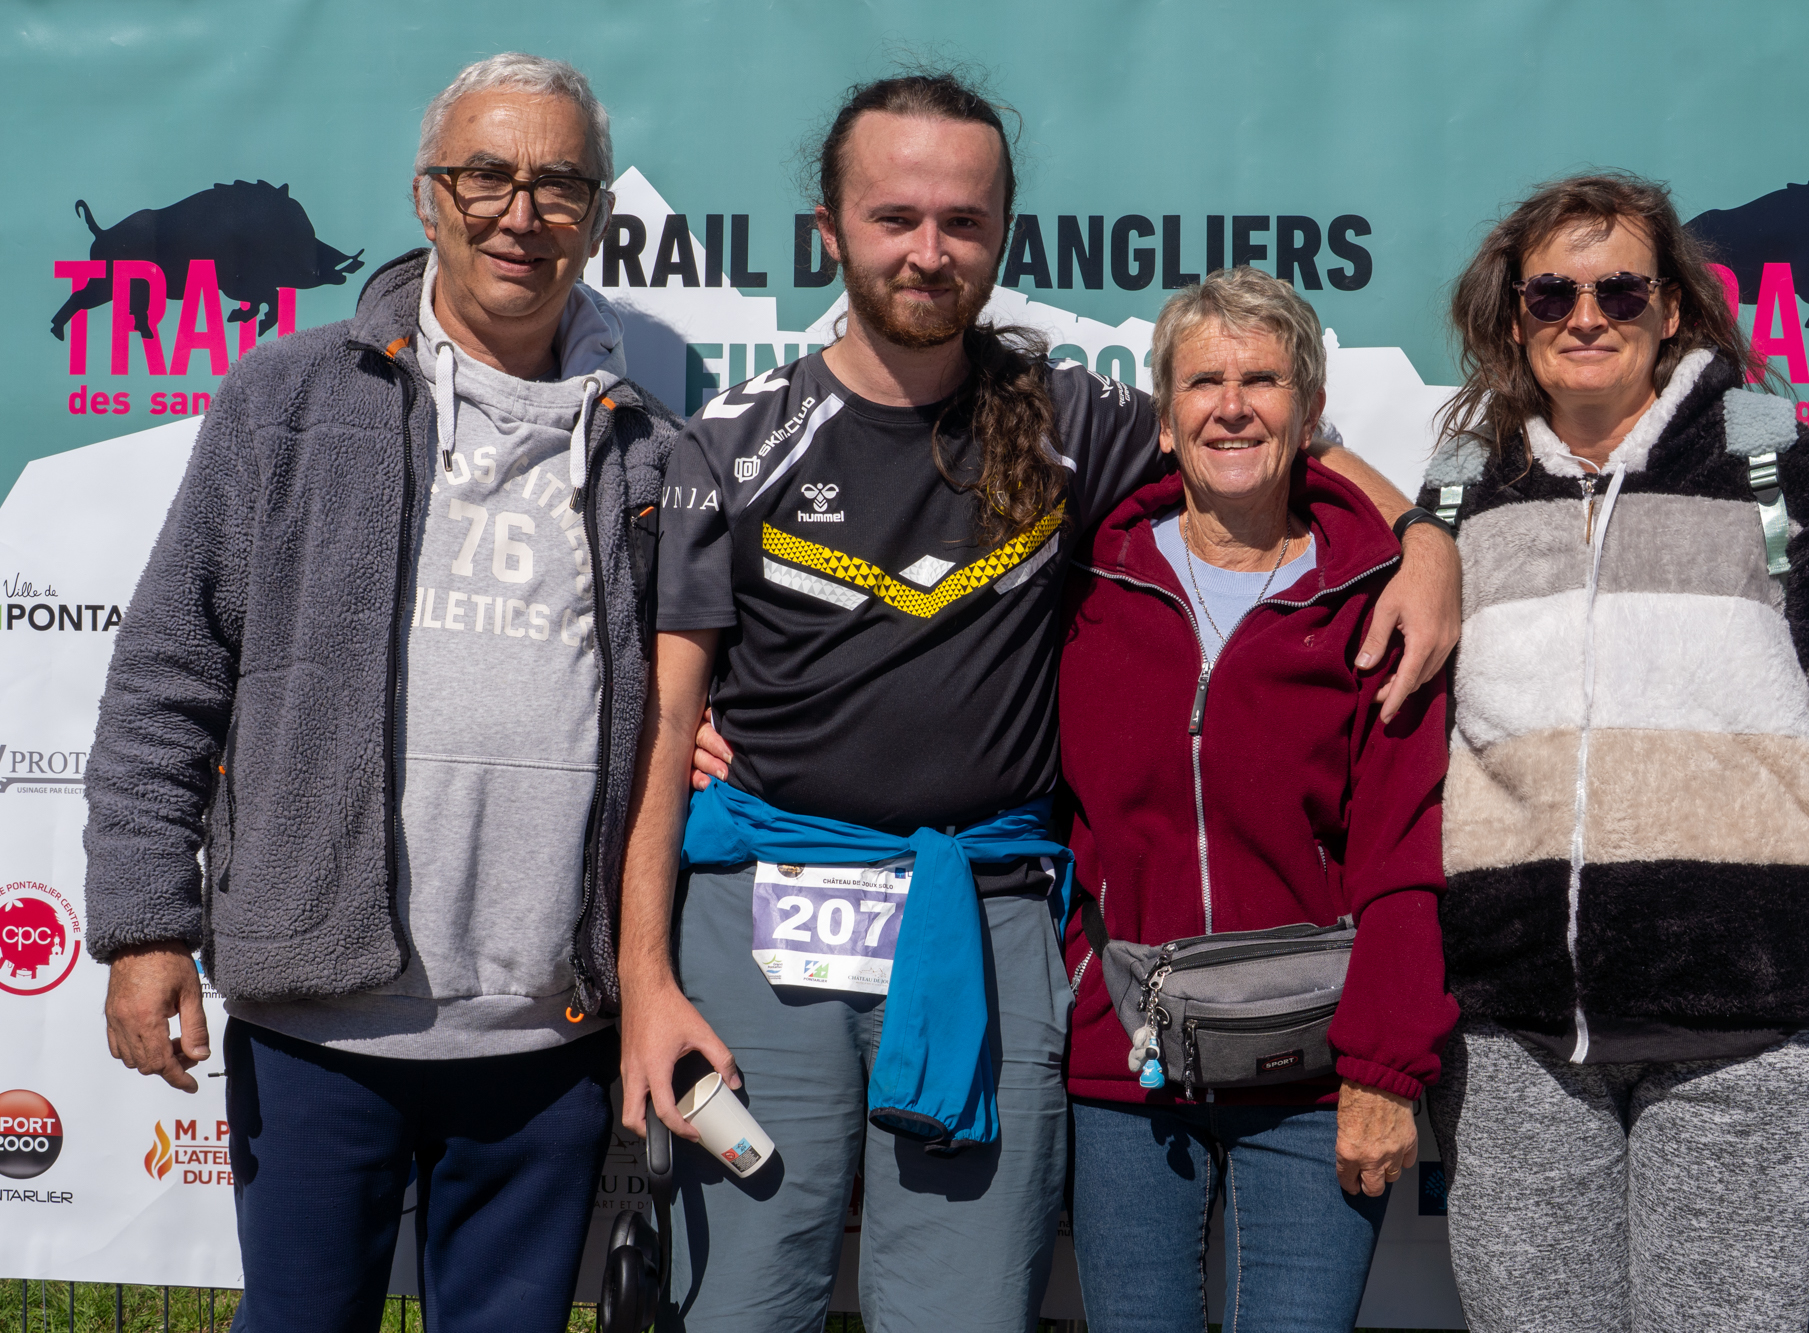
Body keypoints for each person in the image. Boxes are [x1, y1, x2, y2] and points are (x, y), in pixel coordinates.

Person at [620, 71, 1462, 1333]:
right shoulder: (728, 445)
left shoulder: (1076, 420)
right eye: (894, 216)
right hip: (760, 925)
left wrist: (1425, 542)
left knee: (961, 1309)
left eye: (961, 221)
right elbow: (661, 726)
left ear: (1002, 233)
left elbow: (1262, 441)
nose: (928, 250)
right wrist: (643, 979)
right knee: (741, 1301)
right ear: (827, 229)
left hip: (988, 917)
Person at [82, 54, 681, 1333]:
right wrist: (144, 928)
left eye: (559, 183)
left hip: (547, 1036)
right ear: (426, 196)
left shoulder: (648, 445)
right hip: (319, 1023)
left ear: (596, 215)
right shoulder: (288, 400)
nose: (521, 212)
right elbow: (166, 674)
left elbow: (673, 701)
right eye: (485, 175)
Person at [1418, 173, 1809, 1331]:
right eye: (1550, 293)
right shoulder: (1467, 480)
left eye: (1618, 290)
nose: (1584, 316)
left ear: (1667, 309)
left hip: (1744, 1024)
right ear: (1513, 312)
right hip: (1515, 1026)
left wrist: (1803, 849)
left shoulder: (1768, 459)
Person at [1057, 266, 1457, 1333]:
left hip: (1315, 1073)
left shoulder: (1374, 604)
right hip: (1129, 1067)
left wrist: (1383, 1070)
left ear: (1310, 412)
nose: (1230, 407)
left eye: (1262, 380)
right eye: (1203, 382)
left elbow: (1404, 854)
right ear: (1163, 418)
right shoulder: (1089, 585)